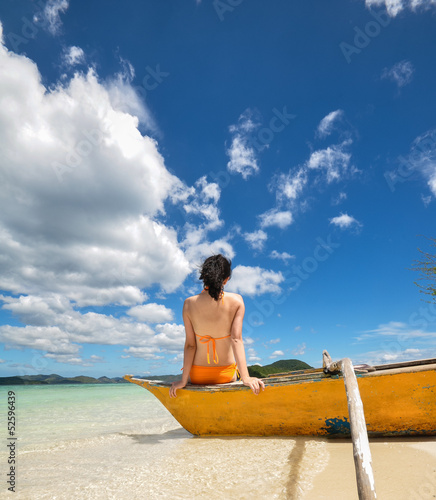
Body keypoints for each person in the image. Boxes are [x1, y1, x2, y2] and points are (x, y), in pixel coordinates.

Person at [169, 254, 265, 398]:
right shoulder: (237, 301)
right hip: (225, 375)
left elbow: (190, 345)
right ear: (226, 280)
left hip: (197, 376)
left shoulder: (188, 304)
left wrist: (183, 380)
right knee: (235, 370)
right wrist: (246, 377)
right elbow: (236, 339)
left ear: (204, 278)